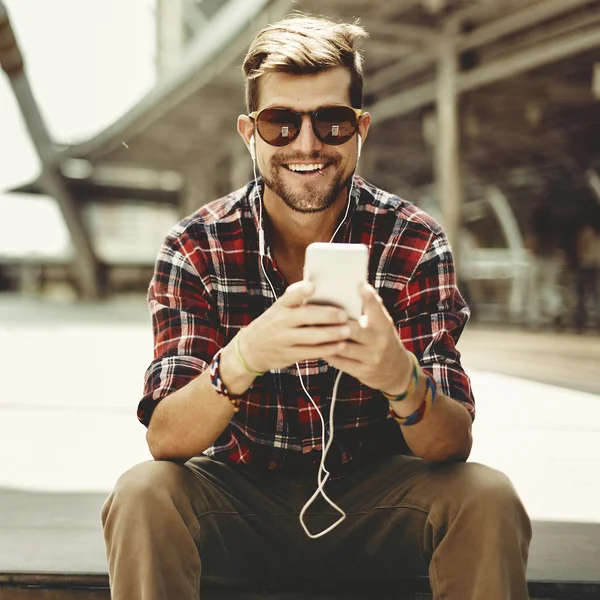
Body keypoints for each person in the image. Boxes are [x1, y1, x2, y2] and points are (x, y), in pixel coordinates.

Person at [101, 14, 531, 600]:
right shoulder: (194, 246)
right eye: (280, 123)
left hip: (379, 498)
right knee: (142, 494)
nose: (306, 144)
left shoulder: (413, 239)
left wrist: (398, 378)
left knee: (488, 497)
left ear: (361, 129)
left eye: (331, 121)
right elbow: (166, 440)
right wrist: (245, 356)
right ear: (248, 132)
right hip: (239, 498)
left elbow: (452, 444)